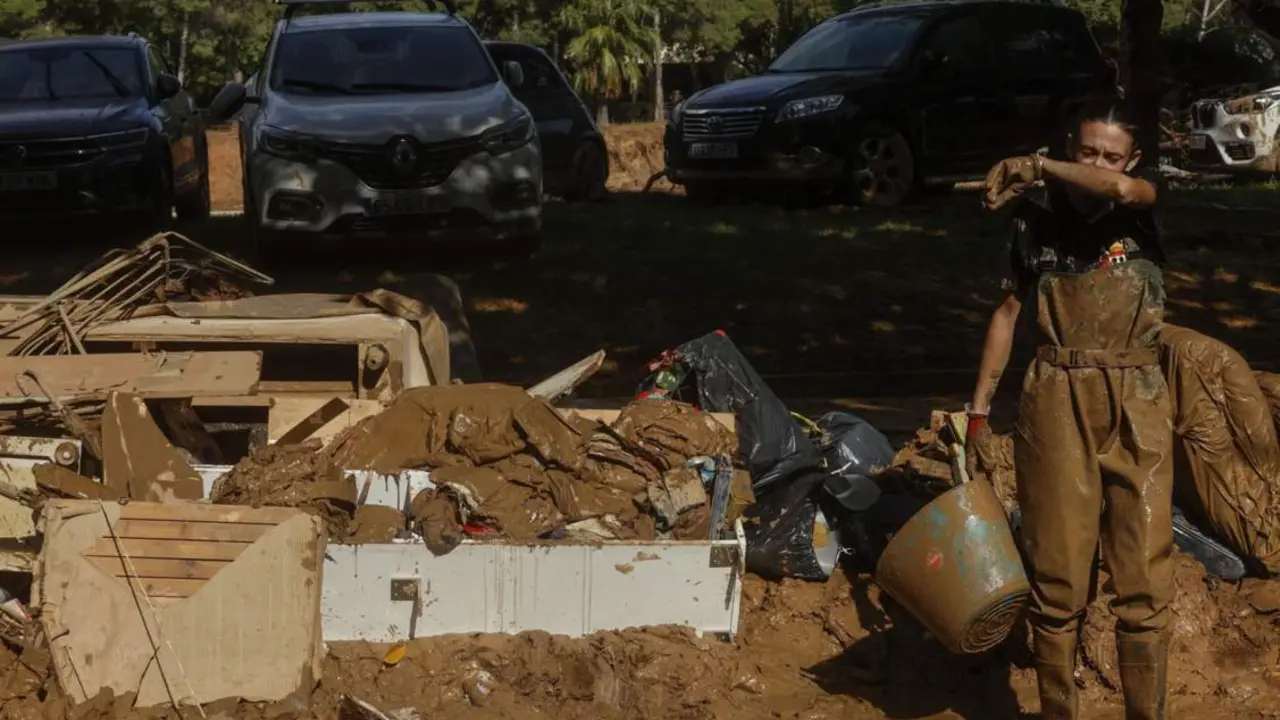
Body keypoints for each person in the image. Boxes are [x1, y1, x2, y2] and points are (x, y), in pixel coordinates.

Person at [966, 99, 1172, 720]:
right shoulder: (1034, 221)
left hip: (1137, 397)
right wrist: (977, 412)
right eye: (1088, 150)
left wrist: (1041, 164)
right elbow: (1006, 316)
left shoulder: (1143, 203)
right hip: (1056, 395)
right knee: (1057, 582)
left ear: (1131, 159)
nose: (1100, 163)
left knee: (1144, 584)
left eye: (1112, 154)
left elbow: (1118, 189)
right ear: (1071, 145)